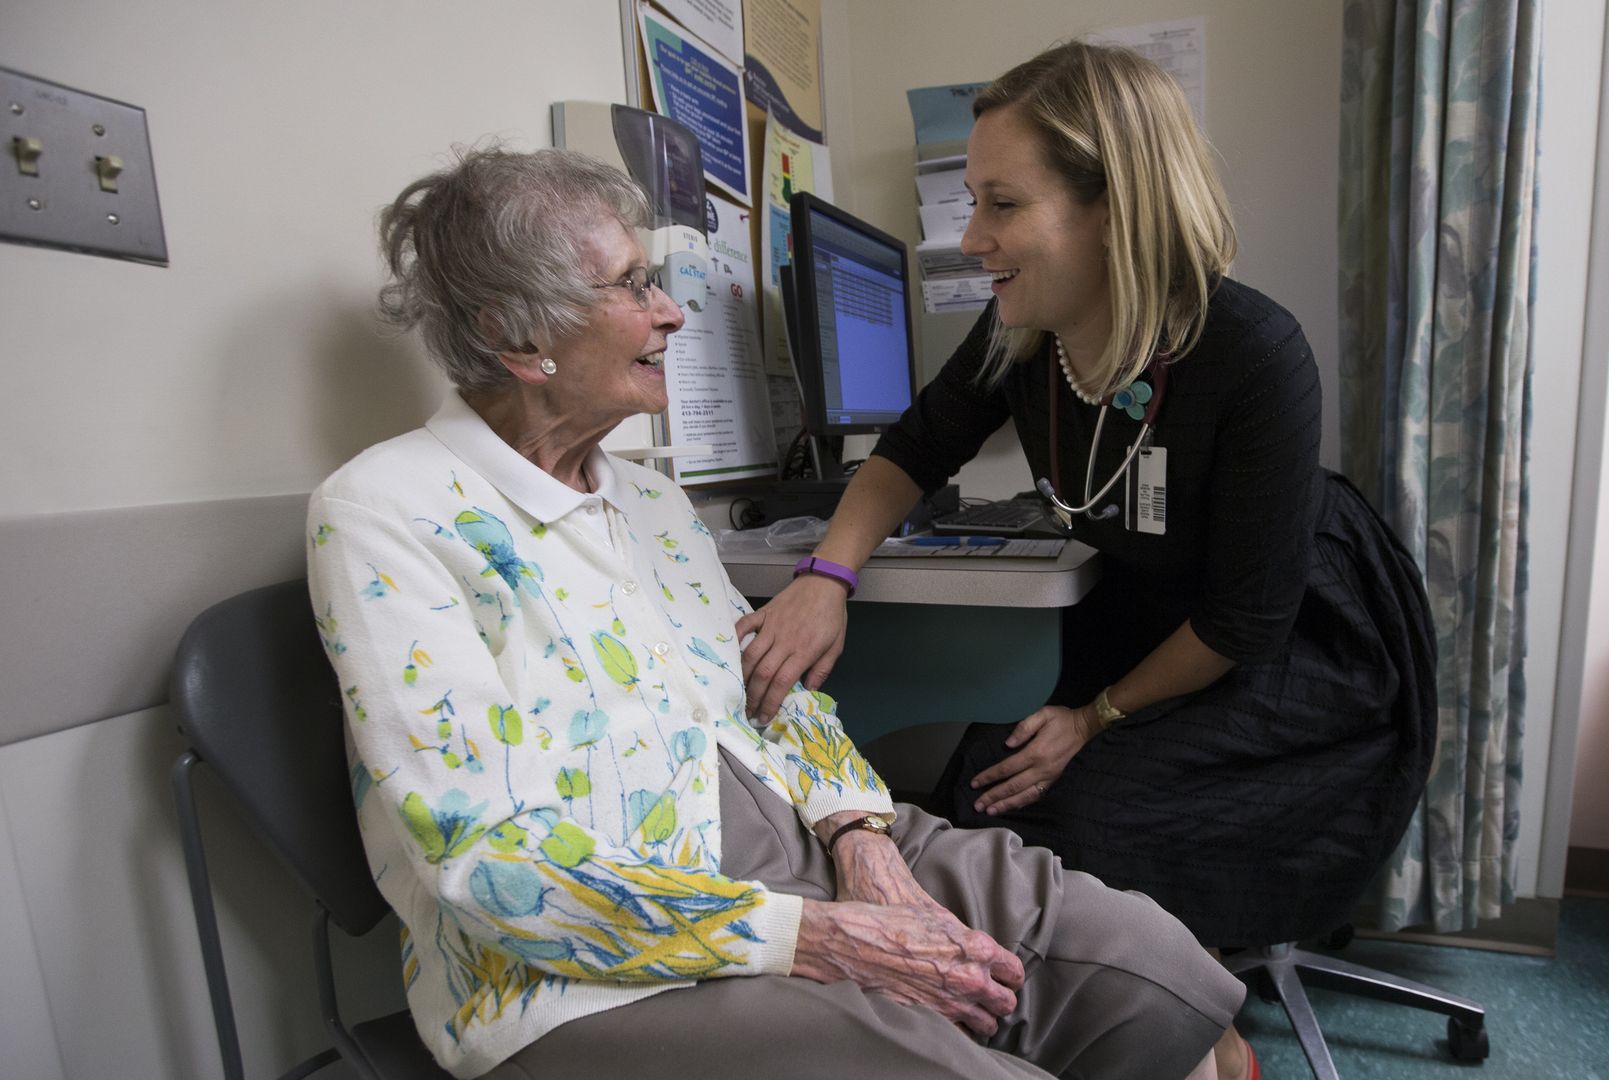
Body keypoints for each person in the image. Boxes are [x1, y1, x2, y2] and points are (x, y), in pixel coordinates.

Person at [305, 146, 1245, 1080]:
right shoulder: (386, 512)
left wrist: (861, 838)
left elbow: (776, 691)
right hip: (591, 964)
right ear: (515, 335)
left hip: (802, 835)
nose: (671, 311)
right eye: (633, 285)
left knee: (1144, 966)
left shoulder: (651, 500)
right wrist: (816, 938)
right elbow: (490, 864)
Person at [738, 42, 1438, 1080]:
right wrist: (824, 578)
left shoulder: (1254, 353)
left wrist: (1094, 717)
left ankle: (1203, 1025)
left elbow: (1244, 621)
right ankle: (1085, 1003)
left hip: (1292, 641)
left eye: (1003, 205)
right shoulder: (1026, 335)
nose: (972, 238)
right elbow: (912, 452)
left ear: (1115, 207)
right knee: (990, 783)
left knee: (1089, 806)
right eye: (972, 203)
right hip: (1149, 613)